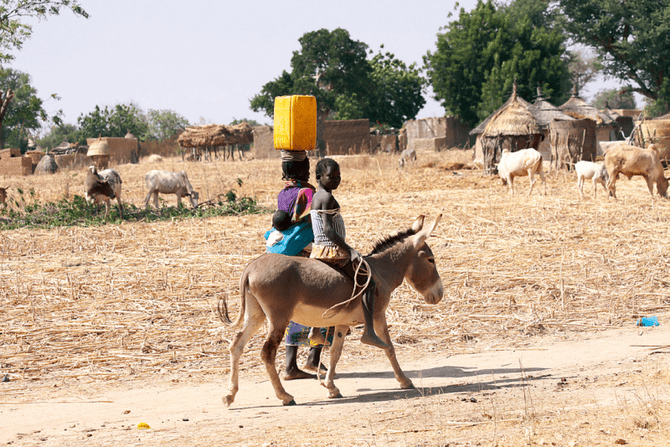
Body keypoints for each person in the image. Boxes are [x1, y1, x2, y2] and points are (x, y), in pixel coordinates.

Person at [309, 158, 389, 350]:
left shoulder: (317, 196)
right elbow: (328, 230)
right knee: (367, 282)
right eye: (331, 176)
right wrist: (349, 250)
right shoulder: (327, 198)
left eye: (339, 176)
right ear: (319, 177)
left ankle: (315, 330)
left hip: (318, 249)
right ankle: (369, 332)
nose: (336, 180)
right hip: (331, 250)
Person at [264, 151, 328, 380]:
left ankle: (293, 364)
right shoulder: (307, 192)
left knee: (293, 312)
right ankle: (313, 357)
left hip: (283, 250)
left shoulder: (284, 192)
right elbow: (306, 219)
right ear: (303, 170)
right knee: (329, 298)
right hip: (303, 250)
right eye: (307, 166)